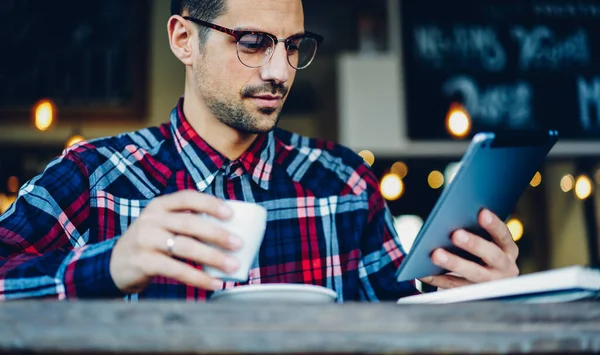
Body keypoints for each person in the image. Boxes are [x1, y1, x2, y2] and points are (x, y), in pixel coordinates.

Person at [0, 0, 519, 301]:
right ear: (184, 39)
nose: (278, 71)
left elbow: (400, 323)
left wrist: (470, 295)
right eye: (252, 42)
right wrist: (109, 264)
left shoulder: (344, 184)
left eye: (292, 46)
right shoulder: (93, 176)